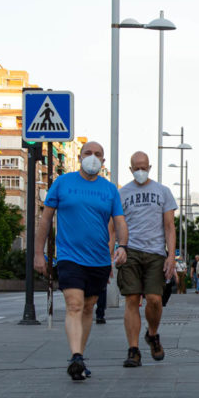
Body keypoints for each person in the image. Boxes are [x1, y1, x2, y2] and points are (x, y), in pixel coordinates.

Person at [34, 141, 127, 381]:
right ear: (79, 157)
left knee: (88, 307)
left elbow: (120, 222)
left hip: (98, 260)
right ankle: (75, 356)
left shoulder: (109, 190)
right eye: (88, 153)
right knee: (74, 304)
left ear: (103, 161)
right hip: (69, 257)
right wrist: (38, 253)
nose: (93, 157)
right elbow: (45, 221)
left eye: (98, 154)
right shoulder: (62, 183)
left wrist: (123, 247)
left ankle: (80, 357)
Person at [115, 151, 177, 368]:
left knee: (154, 299)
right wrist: (109, 254)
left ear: (149, 167)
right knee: (131, 300)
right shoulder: (122, 193)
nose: (140, 171)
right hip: (130, 251)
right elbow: (113, 226)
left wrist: (172, 257)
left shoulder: (163, 191)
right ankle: (133, 350)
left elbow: (170, 227)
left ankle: (152, 334)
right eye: (136, 168)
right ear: (130, 169)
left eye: (144, 167)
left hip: (155, 254)